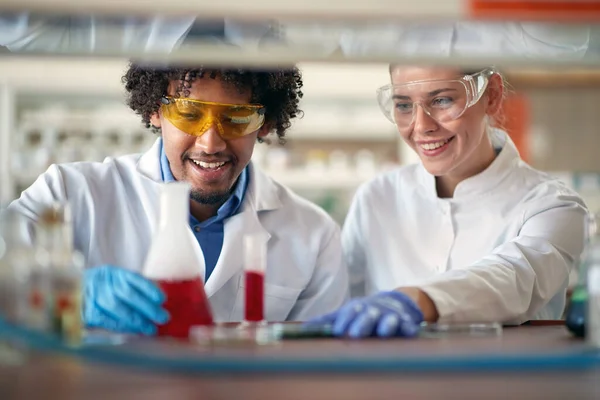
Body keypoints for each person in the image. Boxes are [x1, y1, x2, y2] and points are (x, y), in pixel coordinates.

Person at [8, 63, 349, 335]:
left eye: (236, 117)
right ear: (156, 111)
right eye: (189, 113)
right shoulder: (68, 192)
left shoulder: (314, 235)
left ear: (264, 124)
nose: (210, 144)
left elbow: (318, 361)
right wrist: (64, 295)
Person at [309, 66, 588, 338]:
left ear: (490, 95)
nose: (421, 126)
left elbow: (515, 277)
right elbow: (342, 309)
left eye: (442, 100)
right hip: (392, 382)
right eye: (404, 106)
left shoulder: (554, 205)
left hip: (506, 382)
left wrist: (418, 300)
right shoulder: (377, 197)